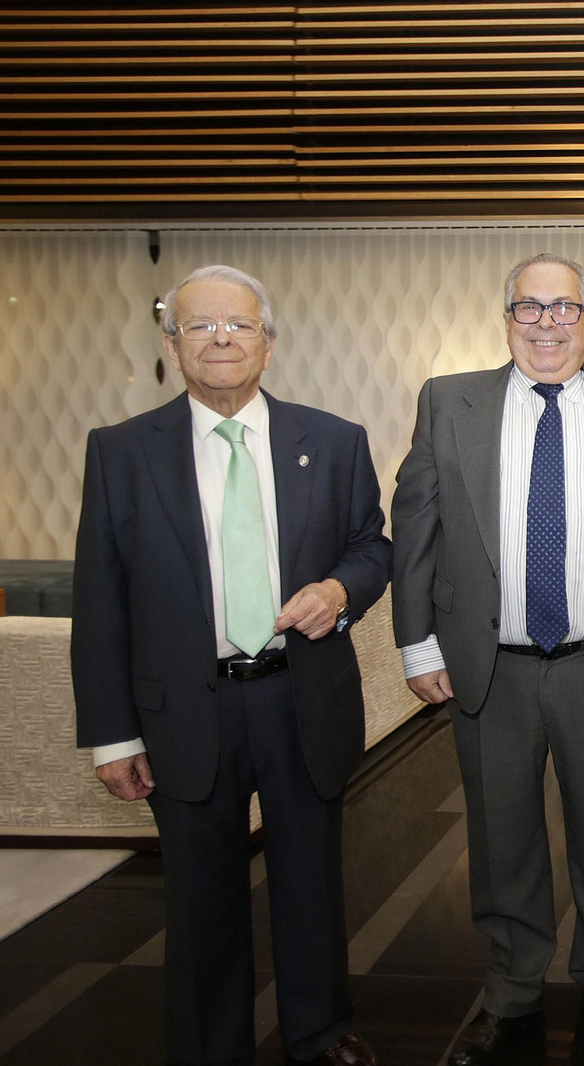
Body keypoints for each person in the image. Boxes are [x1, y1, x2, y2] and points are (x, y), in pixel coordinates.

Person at [72, 265, 392, 1066]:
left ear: (269, 343)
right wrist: (112, 737)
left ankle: (318, 1033)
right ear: (172, 345)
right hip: (185, 708)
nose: (220, 339)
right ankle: (211, 1045)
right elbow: (101, 597)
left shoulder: (334, 438)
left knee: (311, 884)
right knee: (200, 896)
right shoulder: (120, 453)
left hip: (298, 695)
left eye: (239, 325)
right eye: (199, 326)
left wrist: (337, 589)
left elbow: (372, 548)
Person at [390, 253, 584, 1066]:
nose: (548, 324)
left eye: (565, 308)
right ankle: (511, 989)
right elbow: (417, 531)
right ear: (505, 317)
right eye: (530, 308)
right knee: (502, 833)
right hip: (493, 665)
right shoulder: (449, 402)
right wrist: (416, 642)